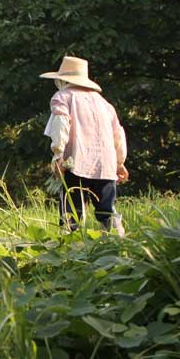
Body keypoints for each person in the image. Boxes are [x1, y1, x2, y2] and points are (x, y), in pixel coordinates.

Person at [40, 56, 128, 235]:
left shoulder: (63, 97)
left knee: (71, 212)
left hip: (76, 161)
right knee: (107, 210)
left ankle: (68, 250)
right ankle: (116, 243)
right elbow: (118, 134)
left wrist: (58, 153)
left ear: (63, 80)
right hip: (106, 165)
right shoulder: (105, 103)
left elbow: (61, 124)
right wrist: (120, 162)